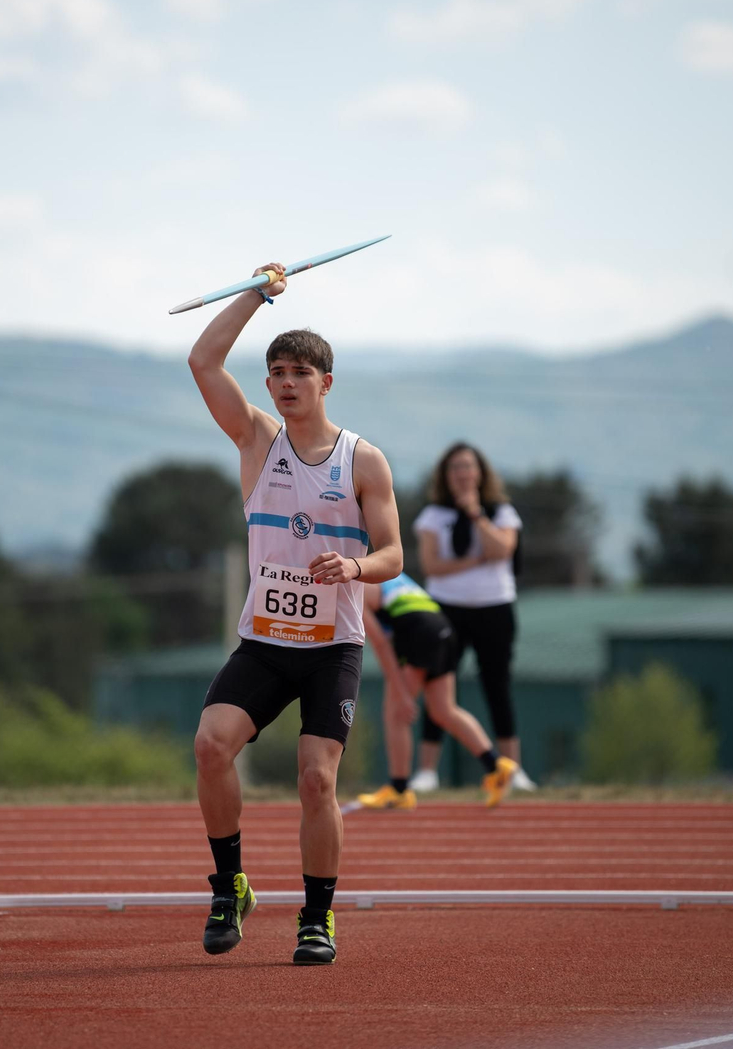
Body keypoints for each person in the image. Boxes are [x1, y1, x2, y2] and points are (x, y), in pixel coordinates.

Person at [187, 261, 403, 966]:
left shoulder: (364, 461)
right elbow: (203, 360)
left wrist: (356, 567)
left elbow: (394, 555)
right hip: (266, 642)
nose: (285, 383)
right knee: (211, 746)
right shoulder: (257, 441)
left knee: (316, 780)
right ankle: (230, 887)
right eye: (276, 372)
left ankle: (317, 916)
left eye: (299, 373)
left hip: (331, 647)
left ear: (325, 382)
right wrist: (256, 293)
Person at [409, 442, 538, 793]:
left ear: (480, 473)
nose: (462, 474)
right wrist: (478, 561)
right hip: (446, 608)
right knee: (437, 686)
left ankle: (512, 769)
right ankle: (427, 771)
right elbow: (433, 565)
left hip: (495, 607)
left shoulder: (502, 512)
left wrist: (476, 514)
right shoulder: (434, 516)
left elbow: (503, 549)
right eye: (455, 468)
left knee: (498, 686)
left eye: (468, 466)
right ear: (445, 475)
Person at [355, 573, 518, 810]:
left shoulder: (352, 586)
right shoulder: (381, 570)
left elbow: (380, 643)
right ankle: (497, 766)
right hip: (442, 627)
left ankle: (399, 790)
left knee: (396, 713)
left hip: (419, 631)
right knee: (444, 710)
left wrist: (401, 692)